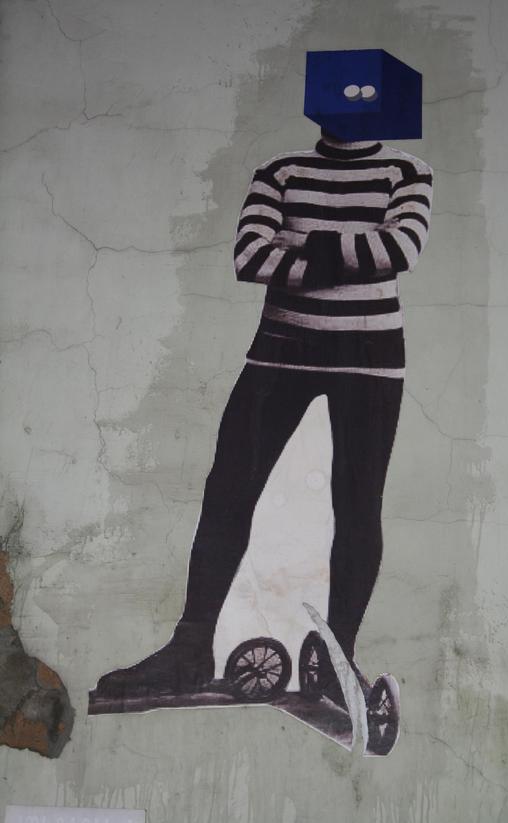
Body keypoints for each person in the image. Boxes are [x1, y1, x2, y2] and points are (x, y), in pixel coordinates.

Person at [89, 125, 433, 712]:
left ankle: (338, 659)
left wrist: (299, 247)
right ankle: (190, 648)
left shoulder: (405, 171)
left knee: (358, 505)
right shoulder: (281, 169)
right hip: (280, 352)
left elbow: (400, 251)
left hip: (370, 360)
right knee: (228, 490)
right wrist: (352, 250)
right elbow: (250, 257)